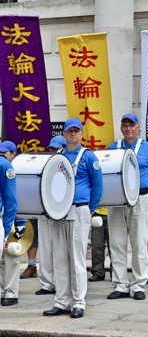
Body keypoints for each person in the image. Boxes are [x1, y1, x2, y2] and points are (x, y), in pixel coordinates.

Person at [107, 113, 148, 301]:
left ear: (138, 128)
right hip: (117, 200)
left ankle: (138, 285)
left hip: (140, 199)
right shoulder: (113, 148)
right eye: (125, 125)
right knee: (116, 243)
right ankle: (120, 284)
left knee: (139, 243)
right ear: (121, 128)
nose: (128, 129)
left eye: (132, 125)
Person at [42, 118, 103, 318]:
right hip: (59, 212)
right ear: (65, 134)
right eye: (70, 131)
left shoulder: (89, 157)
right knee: (59, 258)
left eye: (76, 131)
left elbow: (98, 187)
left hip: (79, 210)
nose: (73, 134)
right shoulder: (57, 157)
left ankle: (78, 302)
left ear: (81, 133)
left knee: (77, 258)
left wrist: (88, 209)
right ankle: (61, 301)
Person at [35, 135, 66, 296]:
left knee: (60, 250)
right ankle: (47, 283)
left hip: (60, 212)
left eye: (57, 148)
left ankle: (60, 283)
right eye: (52, 149)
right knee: (46, 248)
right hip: (44, 212)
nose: (54, 151)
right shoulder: (44, 164)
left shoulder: (67, 165)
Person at [0, 141, 20, 306]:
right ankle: (8, 292)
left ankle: (10, 292)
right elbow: (12, 200)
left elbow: (12, 201)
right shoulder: (6, 165)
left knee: (10, 256)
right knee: (8, 257)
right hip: (6, 217)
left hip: (9, 217)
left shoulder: (6, 166)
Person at [89, 205, 110, 282]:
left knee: (114, 246)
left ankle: (115, 272)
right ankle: (98, 272)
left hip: (113, 212)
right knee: (97, 244)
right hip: (97, 213)